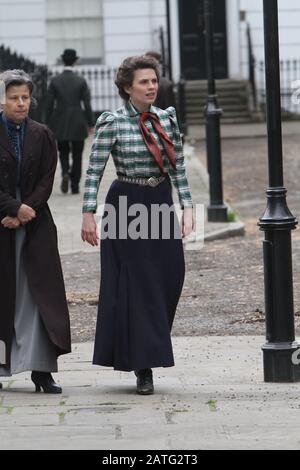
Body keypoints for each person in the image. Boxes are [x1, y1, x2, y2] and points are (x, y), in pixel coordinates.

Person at [81, 55, 194, 395]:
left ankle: (149, 343)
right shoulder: (112, 122)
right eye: (143, 82)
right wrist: (88, 212)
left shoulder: (166, 119)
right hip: (126, 203)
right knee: (138, 283)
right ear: (127, 87)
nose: (151, 87)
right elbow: (93, 171)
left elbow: (179, 168)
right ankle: (144, 366)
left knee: (170, 275)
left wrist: (187, 207)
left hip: (160, 198)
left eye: (154, 81)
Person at [0, 69, 71, 393]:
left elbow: (47, 177)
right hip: (2, 223)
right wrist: (12, 208)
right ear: (2, 100)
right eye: (14, 98)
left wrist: (26, 210)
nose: (20, 103)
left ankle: (41, 371)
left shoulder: (42, 133)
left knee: (39, 297)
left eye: (25, 98)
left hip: (36, 225)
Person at [46, 48, 94, 194]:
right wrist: (91, 123)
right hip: (78, 120)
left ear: (63, 60)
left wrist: (46, 122)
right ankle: (75, 184)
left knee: (63, 151)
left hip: (59, 120)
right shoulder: (80, 81)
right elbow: (86, 104)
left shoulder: (54, 81)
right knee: (78, 154)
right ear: (75, 61)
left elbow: (49, 103)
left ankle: (65, 172)